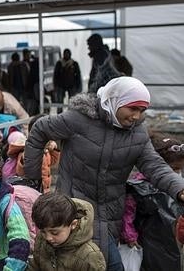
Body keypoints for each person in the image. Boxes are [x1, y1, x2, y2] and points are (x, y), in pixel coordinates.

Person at [23, 76, 184, 271]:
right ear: (115, 100)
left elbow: (155, 166)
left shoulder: (138, 134)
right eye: (132, 108)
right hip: (72, 211)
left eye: (141, 111)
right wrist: (32, 180)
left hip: (109, 216)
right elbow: (39, 130)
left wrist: (179, 189)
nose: (136, 116)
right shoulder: (79, 119)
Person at [121, 131, 184, 270]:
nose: (176, 174)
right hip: (146, 242)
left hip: (171, 242)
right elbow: (127, 215)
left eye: (180, 170)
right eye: (174, 169)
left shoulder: (179, 188)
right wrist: (130, 236)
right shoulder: (137, 188)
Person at [28, 192, 106, 271]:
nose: (48, 238)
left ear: (73, 224)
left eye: (54, 233)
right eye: (43, 232)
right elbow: (35, 265)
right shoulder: (41, 240)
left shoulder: (89, 255)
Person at [53, 48, 82, 113]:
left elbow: (78, 75)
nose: (66, 55)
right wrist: (55, 86)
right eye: (65, 53)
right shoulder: (59, 63)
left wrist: (78, 86)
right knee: (59, 102)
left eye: (68, 53)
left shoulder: (74, 63)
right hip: (60, 86)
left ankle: (71, 114)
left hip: (71, 85)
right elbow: (55, 75)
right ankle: (59, 114)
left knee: (72, 101)